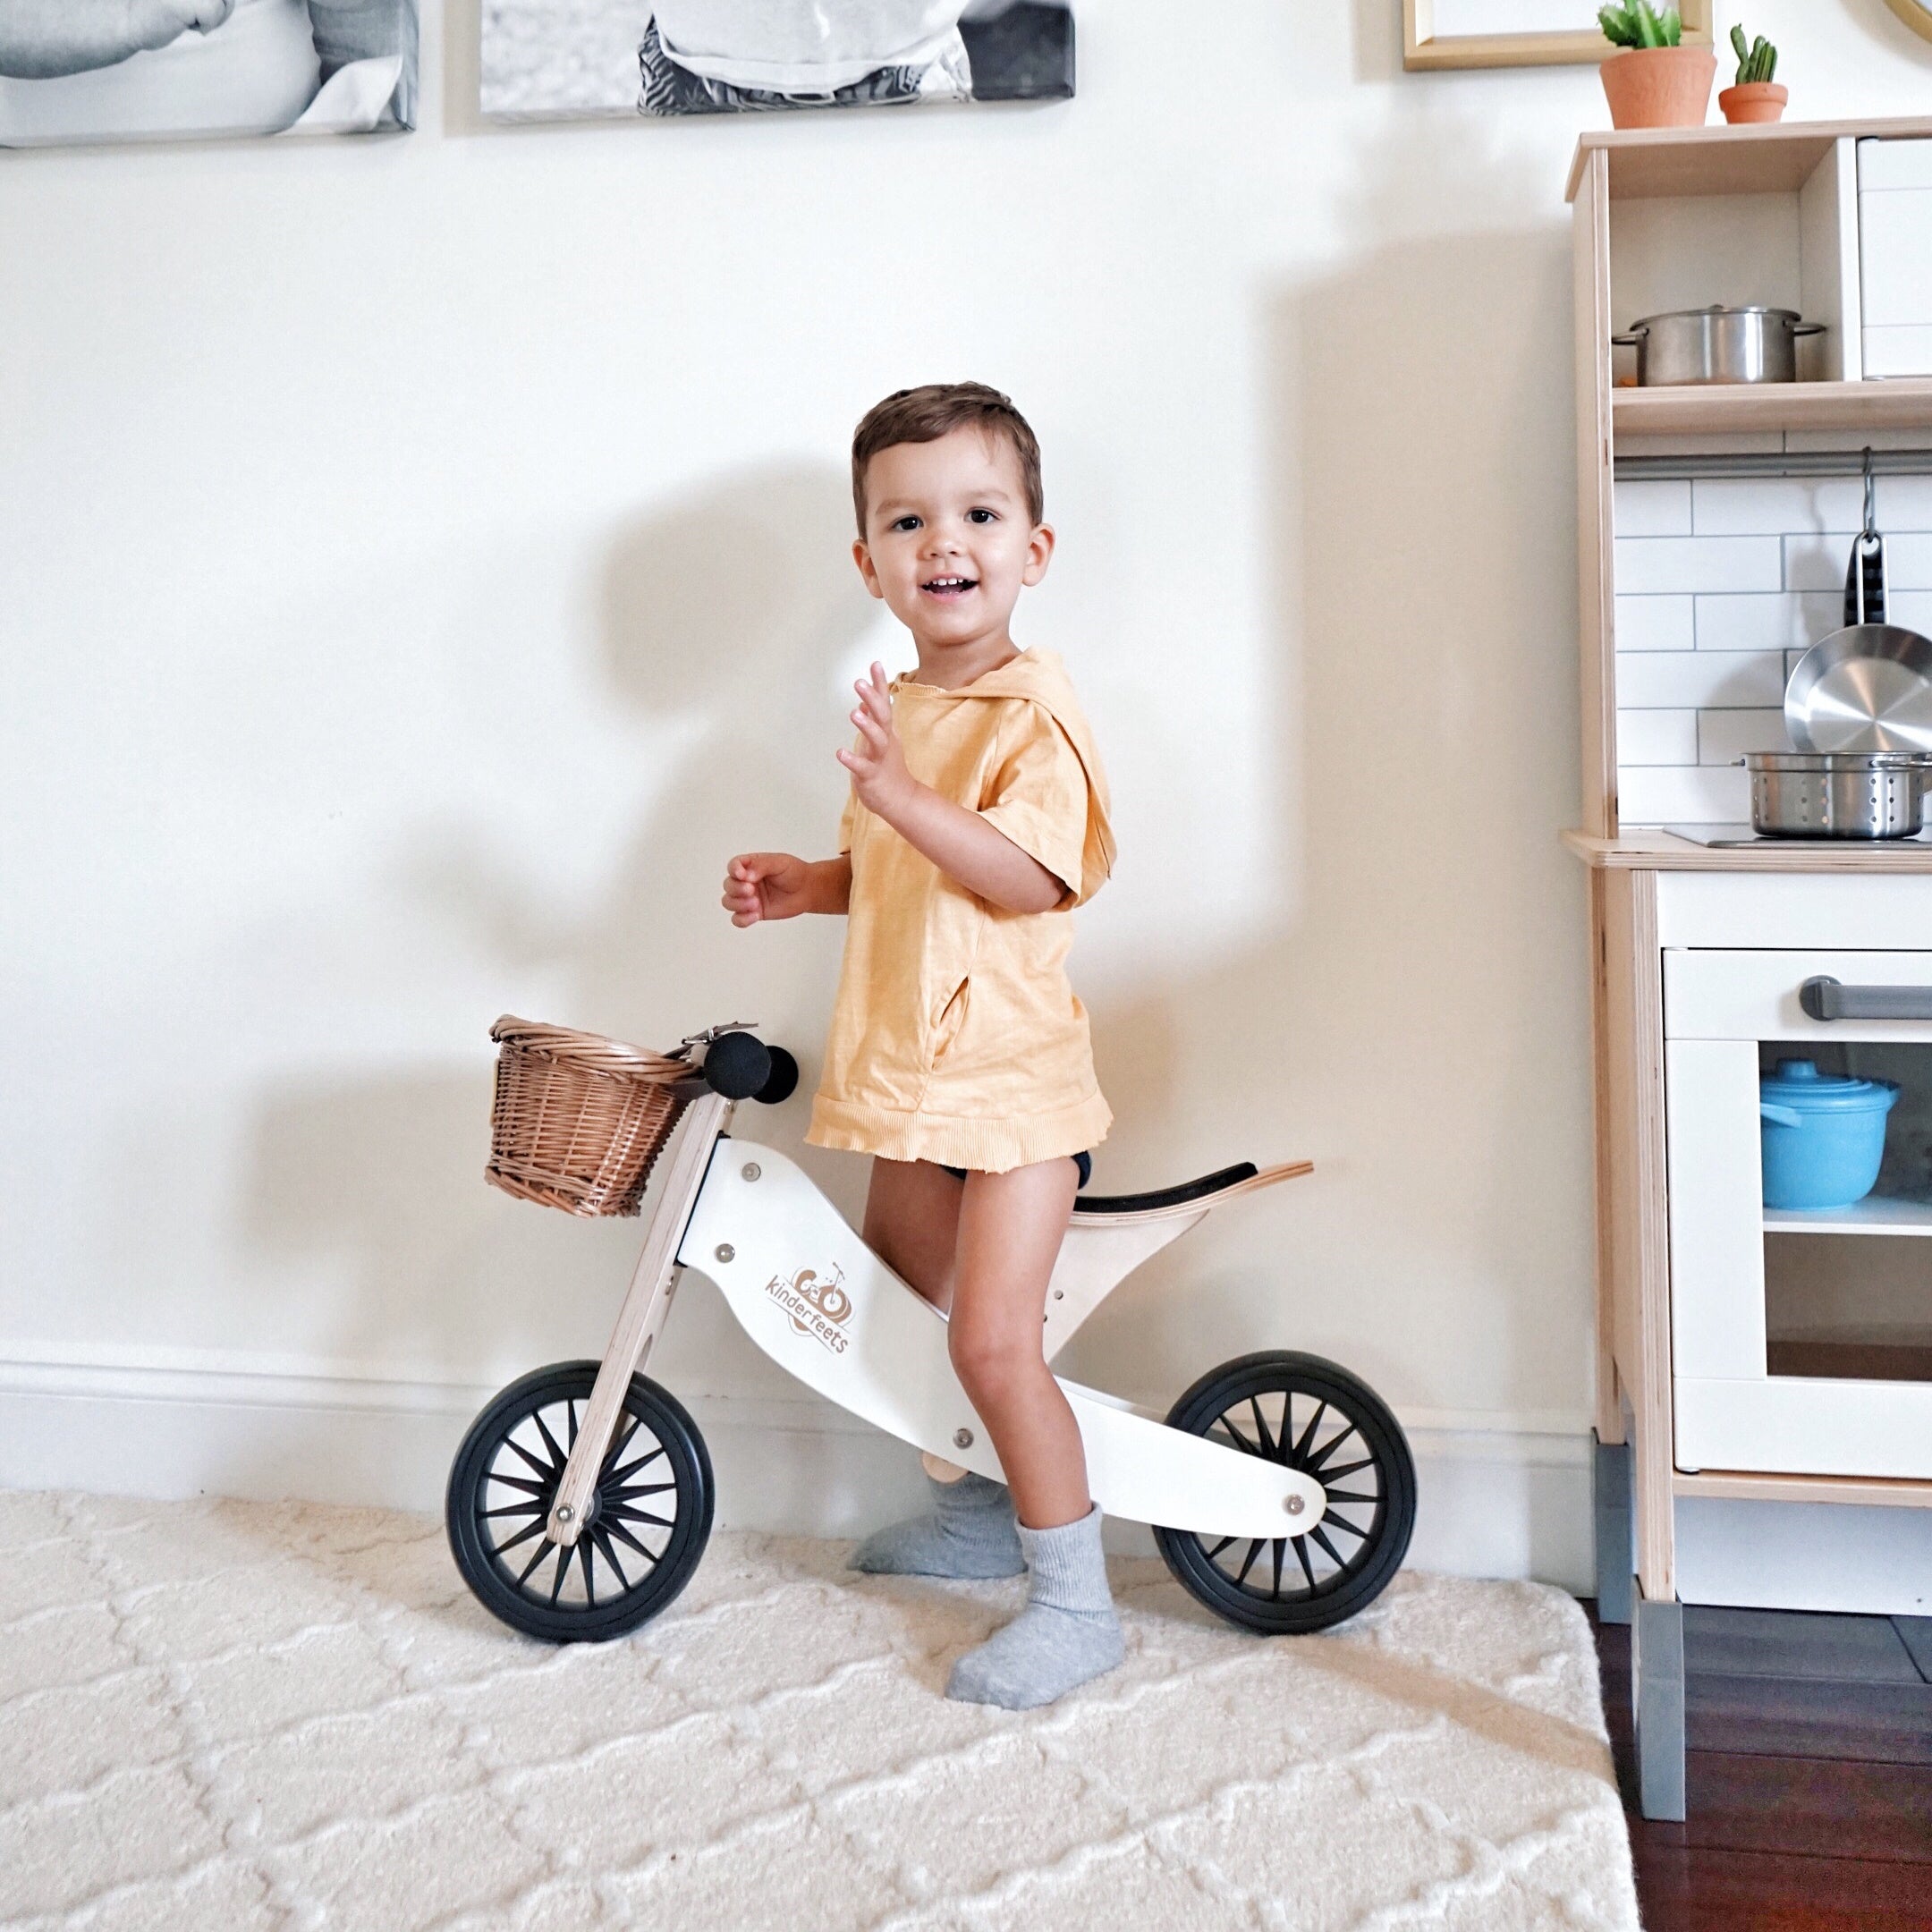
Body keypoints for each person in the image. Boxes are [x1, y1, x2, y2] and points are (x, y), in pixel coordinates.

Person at [721, 383, 1123, 1710]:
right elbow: (902, 869)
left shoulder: (1031, 716)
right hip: (908, 1074)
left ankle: (1076, 1600)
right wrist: (812, 879)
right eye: (910, 519)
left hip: (1008, 1091)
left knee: (993, 1346)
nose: (945, 542)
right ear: (871, 562)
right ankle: (969, 1513)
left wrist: (894, 793)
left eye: (980, 513)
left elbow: (1017, 877)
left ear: (1033, 549)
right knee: (902, 1308)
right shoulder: (906, 702)